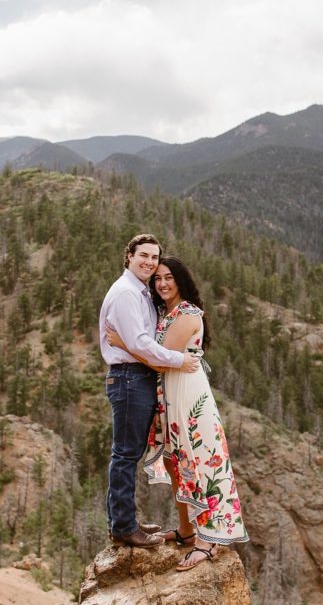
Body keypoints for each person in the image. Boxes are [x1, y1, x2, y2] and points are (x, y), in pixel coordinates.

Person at [107, 255, 249, 571]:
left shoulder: (187, 314)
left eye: (169, 277)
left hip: (187, 393)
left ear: (180, 279)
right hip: (168, 392)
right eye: (157, 279)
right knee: (174, 461)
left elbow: (158, 361)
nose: (163, 283)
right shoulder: (166, 312)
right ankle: (186, 530)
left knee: (197, 459)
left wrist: (123, 343)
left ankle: (207, 540)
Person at [99, 234, 200, 548]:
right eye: (143, 255)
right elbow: (142, 344)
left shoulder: (139, 292)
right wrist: (179, 360)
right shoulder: (127, 293)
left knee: (128, 454)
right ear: (129, 255)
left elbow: (136, 340)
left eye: (154, 258)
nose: (149, 262)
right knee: (125, 454)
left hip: (137, 377)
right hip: (130, 378)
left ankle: (124, 521)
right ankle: (124, 527)